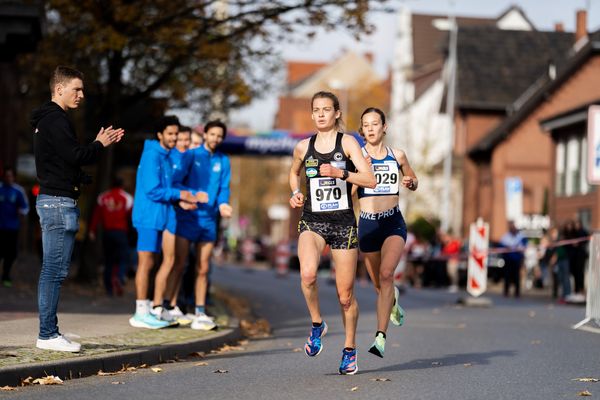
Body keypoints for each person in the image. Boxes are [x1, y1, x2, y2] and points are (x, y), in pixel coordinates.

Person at [31, 65, 124, 352]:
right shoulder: (55, 119)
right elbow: (74, 154)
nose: (81, 95)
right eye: (77, 89)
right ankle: (47, 335)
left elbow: (60, 161)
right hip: (57, 204)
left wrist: (79, 177)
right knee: (53, 271)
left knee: (55, 271)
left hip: (58, 201)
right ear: (59, 89)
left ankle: (50, 331)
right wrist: (98, 144)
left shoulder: (51, 120)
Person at [289, 91, 376, 375]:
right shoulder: (303, 147)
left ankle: (349, 350)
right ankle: (317, 324)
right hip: (312, 221)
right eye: (317, 110)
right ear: (312, 114)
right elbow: (294, 173)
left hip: (343, 224)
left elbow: (371, 179)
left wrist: (343, 175)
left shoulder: (349, 142)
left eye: (327, 109)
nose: (321, 114)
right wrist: (295, 192)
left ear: (337, 113)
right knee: (308, 274)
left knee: (345, 296)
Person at [354, 107, 417, 358]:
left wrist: (411, 182)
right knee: (380, 287)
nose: (370, 128)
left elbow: (412, 179)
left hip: (393, 222)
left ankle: (380, 337)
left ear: (384, 127)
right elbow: (349, 194)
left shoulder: (397, 155)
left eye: (374, 124)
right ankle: (392, 299)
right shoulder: (356, 157)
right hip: (368, 225)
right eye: (365, 125)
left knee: (387, 273)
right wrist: (360, 174)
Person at [130, 116, 201, 329]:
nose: (173, 138)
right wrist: (181, 194)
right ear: (160, 134)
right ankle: (140, 312)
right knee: (146, 263)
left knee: (152, 262)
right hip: (147, 216)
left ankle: (150, 309)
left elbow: (167, 189)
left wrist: (181, 199)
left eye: (175, 134)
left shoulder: (166, 156)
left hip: (159, 216)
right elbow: (153, 189)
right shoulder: (153, 155)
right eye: (170, 134)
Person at [170, 119, 232, 331]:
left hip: (208, 220)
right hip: (188, 217)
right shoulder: (191, 155)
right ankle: (172, 307)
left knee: (203, 267)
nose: (215, 138)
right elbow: (176, 182)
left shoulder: (223, 160)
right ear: (205, 134)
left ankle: (200, 311)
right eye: (212, 134)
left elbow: (224, 188)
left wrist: (223, 204)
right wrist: (194, 196)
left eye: (219, 136)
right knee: (180, 264)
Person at [89, 176, 133, 296]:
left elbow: (97, 215)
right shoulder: (127, 198)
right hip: (121, 232)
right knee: (123, 257)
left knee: (108, 260)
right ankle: (120, 276)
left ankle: (109, 288)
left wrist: (92, 230)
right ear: (122, 185)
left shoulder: (103, 197)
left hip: (107, 232)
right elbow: (130, 216)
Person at [0, 166, 29, 287]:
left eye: (10, 176)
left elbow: (26, 208)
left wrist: (21, 212)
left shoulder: (18, 191)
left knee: (10, 254)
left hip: (12, 228)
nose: (8, 178)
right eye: (6, 176)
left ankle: (6, 276)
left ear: (14, 177)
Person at [499, 220, 526, 298]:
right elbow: (501, 247)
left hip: (517, 260)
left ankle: (517, 292)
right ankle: (506, 291)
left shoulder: (520, 237)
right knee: (507, 276)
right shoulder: (506, 237)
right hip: (508, 260)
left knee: (517, 277)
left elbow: (524, 246)